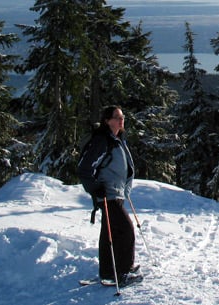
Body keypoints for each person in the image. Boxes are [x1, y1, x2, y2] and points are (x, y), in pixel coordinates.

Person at [77, 105, 138, 285]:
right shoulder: (103, 141)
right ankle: (122, 271)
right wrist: (96, 188)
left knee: (108, 233)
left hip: (115, 193)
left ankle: (108, 271)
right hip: (107, 194)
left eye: (122, 116)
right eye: (117, 117)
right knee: (125, 230)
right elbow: (85, 169)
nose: (121, 120)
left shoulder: (116, 139)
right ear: (107, 121)